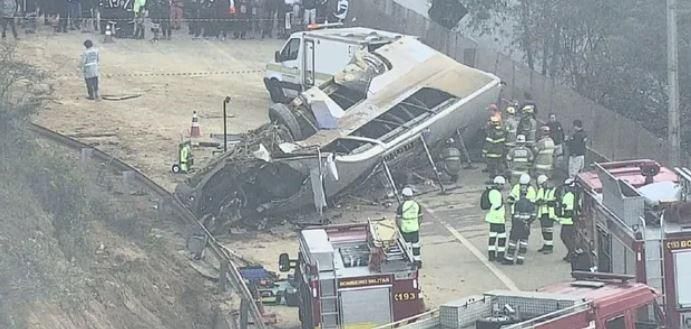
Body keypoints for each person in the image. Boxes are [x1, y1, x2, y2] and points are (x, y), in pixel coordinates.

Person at [503, 192, 536, 265]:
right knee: (523, 243)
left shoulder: (518, 203)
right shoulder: (531, 204)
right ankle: (520, 259)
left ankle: (509, 259)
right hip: (526, 227)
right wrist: (527, 222)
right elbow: (534, 215)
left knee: (513, 243)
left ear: (520, 195)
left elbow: (516, 216)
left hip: (518, 226)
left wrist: (521, 222)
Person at [396, 187, 423, 267]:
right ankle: (417, 260)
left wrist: (400, 228)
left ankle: (410, 261)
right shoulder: (417, 205)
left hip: (405, 229)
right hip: (415, 228)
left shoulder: (401, 206)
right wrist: (417, 225)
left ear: (404, 196)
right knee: (416, 245)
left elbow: (398, 219)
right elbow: (420, 217)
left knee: (407, 246)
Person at [485, 175, 507, 262]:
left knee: (492, 237)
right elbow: (497, 206)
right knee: (502, 237)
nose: (502, 186)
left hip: (493, 218)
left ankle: (491, 255)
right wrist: (503, 204)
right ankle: (500, 256)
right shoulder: (496, 193)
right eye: (501, 184)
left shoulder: (491, 192)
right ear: (497, 184)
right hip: (498, 219)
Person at [535, 175, 557, 254]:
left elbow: (554, 201)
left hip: (550, 213)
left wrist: (545, 202)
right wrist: (543, 202)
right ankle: (545, 245)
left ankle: (549, 247)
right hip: (542, 213)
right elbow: (537, 201)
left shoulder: (553, 190)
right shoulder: (541, 190)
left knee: (548, 230)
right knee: (544, 230)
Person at [556, 178, 576, 262]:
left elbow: (568, 208)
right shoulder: (571, 194)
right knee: (569, 237)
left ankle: (572, 253)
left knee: (565, 237)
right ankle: (570, 253)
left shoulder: (570, 195)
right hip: (569, 220)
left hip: (569, 220)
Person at [483, 114, 506, 181]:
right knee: (499, 166)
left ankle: (493, 179)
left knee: (492, 167)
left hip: (491, 153)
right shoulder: (502, 131)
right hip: (499, 152)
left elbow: (488, 143)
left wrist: (484, 151)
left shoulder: (491, 132)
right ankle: (501, 177)